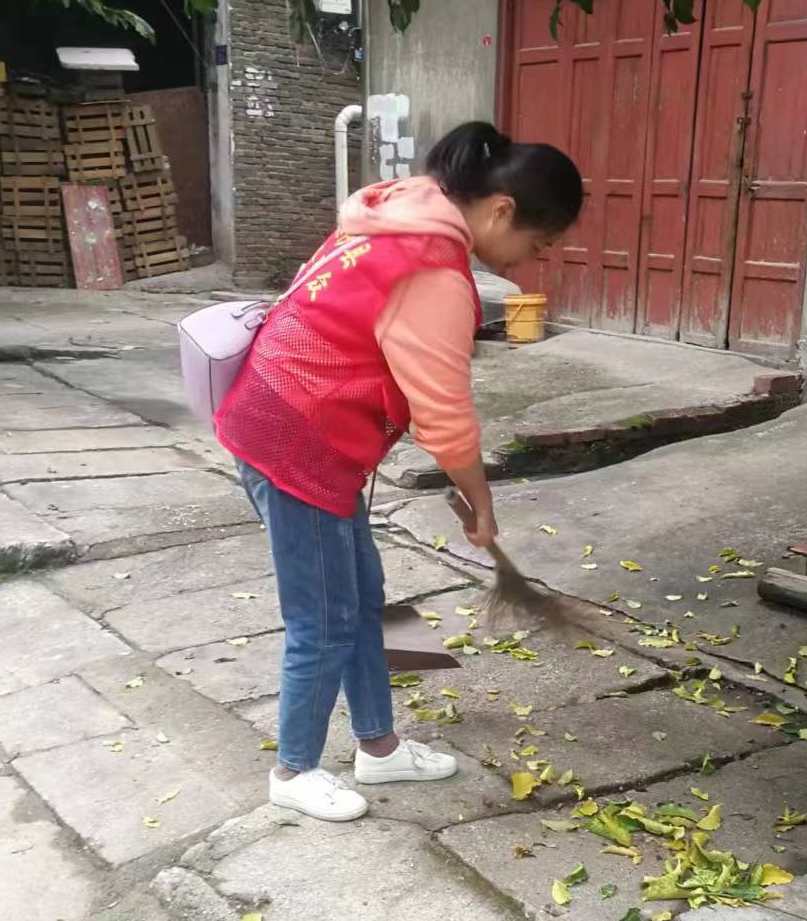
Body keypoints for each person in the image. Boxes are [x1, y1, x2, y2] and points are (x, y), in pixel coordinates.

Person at [214, 121, 583, 822]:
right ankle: (294, 768)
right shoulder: (431, 268)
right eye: (539, 243)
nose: (534, 260)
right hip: (297, 443)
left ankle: (379, 745)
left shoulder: (398, 213)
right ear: (501, 210)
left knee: (369, 597)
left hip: (300, 424)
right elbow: (443, 415)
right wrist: (480, 504)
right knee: (324, 617)